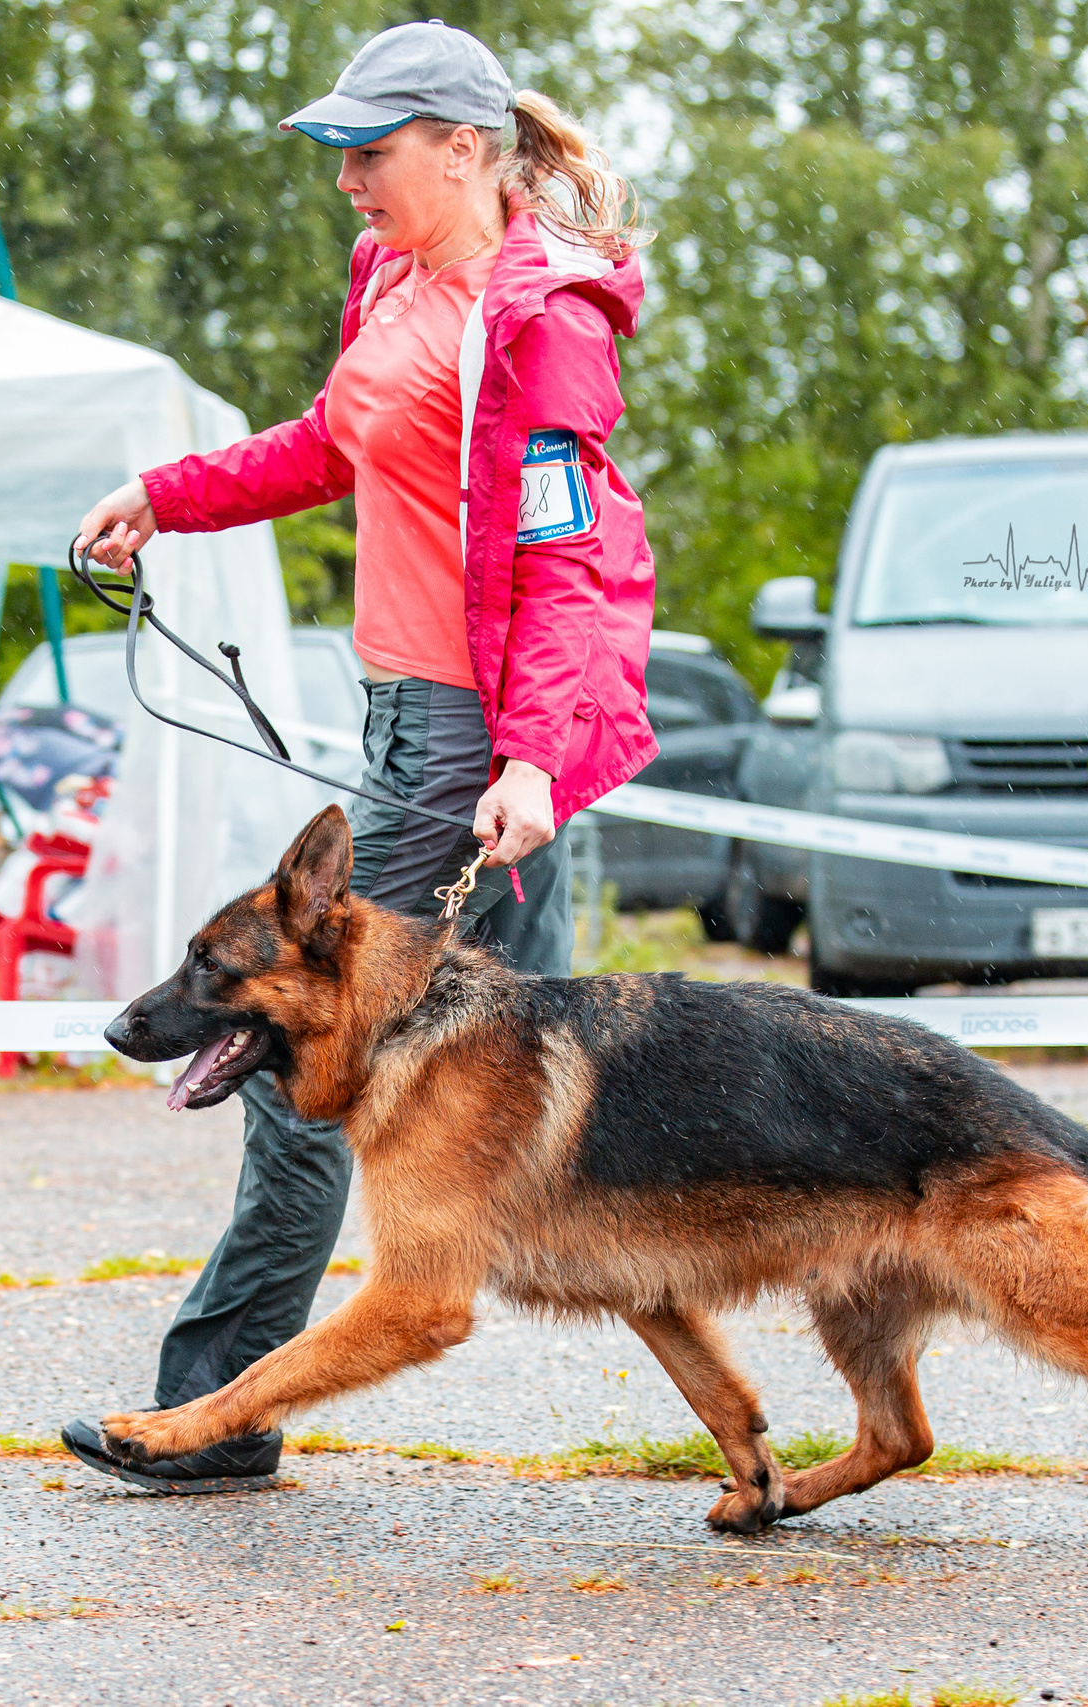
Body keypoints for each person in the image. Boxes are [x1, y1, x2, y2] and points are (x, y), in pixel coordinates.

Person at [61, 21, 658, 1492]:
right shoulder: (394, 277)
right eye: (339, 150)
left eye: (370, 150)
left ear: (464, 150)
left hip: (474, 745)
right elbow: (329, 445)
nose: (346, 177)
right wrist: (164, 494)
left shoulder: (540, 322)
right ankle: (722, 1355)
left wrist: (526, 763)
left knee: (290, 1050)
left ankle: (208, 1410)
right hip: (404, 718)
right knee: (573, 1095)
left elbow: (572, 566)